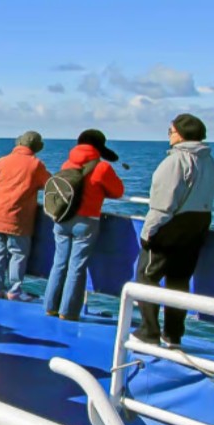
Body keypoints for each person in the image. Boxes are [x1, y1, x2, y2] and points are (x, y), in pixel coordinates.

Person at [134, 114, 214, 347]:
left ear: (180, 134)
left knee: (146, 276)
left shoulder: (175, 161)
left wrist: (148, 232)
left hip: (171, 229)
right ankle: (173, 334)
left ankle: (148, 331)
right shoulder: (209, 162)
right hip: (197, 227)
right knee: (179, 281)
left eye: (170, 131)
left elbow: (163, 203)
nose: (169, 135)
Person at [43, 129, 125, 321]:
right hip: (86, 221)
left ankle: (50, 306)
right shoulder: (101, 168)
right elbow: (118, 191)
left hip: (61, 218)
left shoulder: (67, 164)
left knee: (59, 263)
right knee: (76, 267)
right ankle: (68, 311)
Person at [0, 131, 51, 301]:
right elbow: (49, 184)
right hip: (18, 219)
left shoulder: (1, 161)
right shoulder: (36, 164)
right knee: (18, 254)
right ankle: (14, 291)